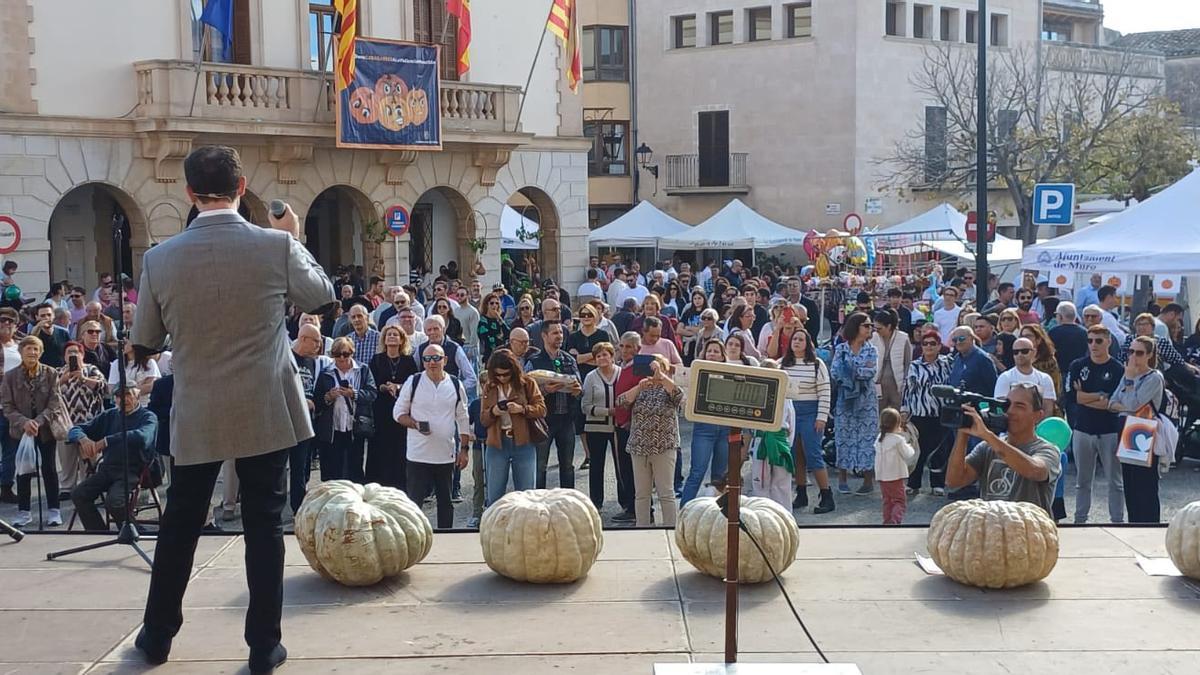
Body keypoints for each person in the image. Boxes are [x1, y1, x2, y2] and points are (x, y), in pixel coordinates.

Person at [132, 146, 335, 673]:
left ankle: (156, 638)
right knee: (264, 522)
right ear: (243, 187)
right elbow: (321, 297)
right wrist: (294, 238)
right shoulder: (274, 245)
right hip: (265, 405)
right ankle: (263, 646)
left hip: (198, 408)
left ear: (188, 192)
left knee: (180, 522)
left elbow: (146, 341)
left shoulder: (158, 258)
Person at [945, 383, 1061, 514]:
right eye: (1007, 404)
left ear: (1038, 416)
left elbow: (1035, 471)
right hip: (993, 528)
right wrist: (963, 432)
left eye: (1019, 406)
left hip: (1029, 530)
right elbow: (954, 481)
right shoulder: (987, 447)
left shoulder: (1048, 450)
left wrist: (987, 435)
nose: (1010, 411)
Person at [393, 343, 470, 528]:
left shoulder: (455, 383)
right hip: (418, 455)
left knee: (446, 503)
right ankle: (414, 538)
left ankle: (446, 541)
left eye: (436, 358)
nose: (431, 362)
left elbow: (463, 417)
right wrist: (415, 424)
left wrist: (465, 450)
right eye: (427, 359)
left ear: (445, 360)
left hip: (445, 455)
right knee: (414, 503)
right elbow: (398, 413)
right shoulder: (414, 381)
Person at [68, 385, 159, 531]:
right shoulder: (110, 415)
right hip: (108, 468)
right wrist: (83, 439)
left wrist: (106, 441)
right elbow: (74, 429)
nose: (124, 400)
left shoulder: (148, 417)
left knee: (114, 501)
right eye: (119, 396)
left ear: (136, 396)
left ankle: (134, 531)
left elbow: (143, 437)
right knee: (79, 494)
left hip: (133, 469)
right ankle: (98, 531)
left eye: (128, 395)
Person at [1, 336, 66, 527]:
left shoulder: (51, 373)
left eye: (36, 349)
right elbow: (7, 406)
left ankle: (54, 510)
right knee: (23, 471)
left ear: (41, 352)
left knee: (49, 469)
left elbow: (55, 403)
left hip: (44, 429)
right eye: (28, 349)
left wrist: (37, 421)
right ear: (21, 352)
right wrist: (24, 422)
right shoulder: (10, 376)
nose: (32, 353)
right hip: (21, 431)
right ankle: (24, 511)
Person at [1066, 325, 1125, 524]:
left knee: (1115, 481)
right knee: (1082, 481)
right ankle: (1080, 519)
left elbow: (1113, 404)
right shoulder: (1077, 365)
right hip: (1083, 429)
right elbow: (1073, 397)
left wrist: (1089, 397)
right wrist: (1098, 395)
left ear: (1108, 342)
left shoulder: (1118, 369)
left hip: (1109, 431)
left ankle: (1117, 520)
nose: (1093, 345)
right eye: (1090, 340)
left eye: (1098, 341)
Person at [1106, 335, 1168, 523]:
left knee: (1145, 486)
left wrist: (1130, 383)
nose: (1133, 356)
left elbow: (1133, 404)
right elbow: (1111, 403)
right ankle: (1134, 524)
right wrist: (1127, 397)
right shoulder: (1128, 374)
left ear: (1149, 355)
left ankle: (1149, 525)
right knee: (1130, 484)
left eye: (1139, 353)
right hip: (1127, 428)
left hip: (1143, 429)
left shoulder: (1154, 377)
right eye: (1130, 351)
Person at [618, 354, 682, 527]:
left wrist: (662, 377)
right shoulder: (641, 387)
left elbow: (680, 397)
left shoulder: (669, 388)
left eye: (658, 366)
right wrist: (638, 388)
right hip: (639, 448)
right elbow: (621, 402)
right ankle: (642, 529)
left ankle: (670, 528)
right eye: (651, 367)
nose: (653, 370)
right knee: (642, 494)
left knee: (666, 493)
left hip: (664, 446)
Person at [526, 321, 582, 490]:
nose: (559, 336)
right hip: (544, 421)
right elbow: (525, 391)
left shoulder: (569, 360)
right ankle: (539, 504)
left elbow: (579, 386)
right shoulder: (534, 362)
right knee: (540, 466)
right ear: (544, 336)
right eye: (555, 333)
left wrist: (577, 391)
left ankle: (568, 503)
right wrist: (545, 390)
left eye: (561, 333)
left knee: (567, 465)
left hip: (566, 419)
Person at [313, 337, 377, 483]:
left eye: (345, 354)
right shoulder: (326, 372)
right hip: (332, 429)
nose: (341, 358)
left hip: (354, 427)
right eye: (337, 354)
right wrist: (328, 397)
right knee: (332, 469)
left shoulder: (362, 370)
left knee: (354, 468)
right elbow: (318, 400)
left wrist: (353, 394)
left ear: (352, 353)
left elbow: (372, 393)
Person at [831, 313, 879, 495]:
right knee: (844, 437)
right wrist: (854, 373)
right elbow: (835, 371)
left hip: (867, 401)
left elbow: (870, 371)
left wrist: (850, 372)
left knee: (867, 439)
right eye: (866, 325)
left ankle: (868, 480)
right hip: (845, 400)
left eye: (870, 326)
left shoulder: (871, 350)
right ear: (856, 327)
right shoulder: (842, 348)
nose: (869, 329)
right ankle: (842, 479)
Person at [679, 339, 732, 507]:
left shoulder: (731, 374)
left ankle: (718, 514)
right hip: (704, 428)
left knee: (719, 476)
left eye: (717, 351)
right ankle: (685, 511)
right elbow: (686, 397)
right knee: (697, 472)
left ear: (723, 356)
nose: (713, 354)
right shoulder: (697, 373)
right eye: (710, 351)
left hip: (725, 429)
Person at [366, 326, 418, 491]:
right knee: (380, 447)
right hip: (381, 409)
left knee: (399, 448)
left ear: (402, 339)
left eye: (395, 334)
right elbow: (371, 383)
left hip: (401, 409)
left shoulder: (408, 361)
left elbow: (414, 383)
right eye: (389, 334)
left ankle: (401, 485)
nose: (392, 337)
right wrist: (383, 387)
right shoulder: (376, 359)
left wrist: (399, 386)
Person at [55, 341, 108, 500]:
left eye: (75, 352)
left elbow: (104, 388)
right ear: (64, 356)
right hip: (66, 423)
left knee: (89, 458)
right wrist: (65, 379)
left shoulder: (92, 369)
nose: (72, 355)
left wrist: (83, 378)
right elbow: (49, 392)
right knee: (67, 459)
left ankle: (89, 486)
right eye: (69, 353)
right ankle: (66, 487)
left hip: (90, 421)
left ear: (82, 354)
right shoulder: (58, 372)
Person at [903, 328, 952, 496]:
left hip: (940, 413)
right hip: (919, 414)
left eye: (933, 343)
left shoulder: (947, 363)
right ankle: (913, 483)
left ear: (939, 346)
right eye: (925, 344)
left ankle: (937, 484)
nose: (929, 347)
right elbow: (908, 390)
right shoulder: (914, 365)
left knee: (940, 451)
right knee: (918, 450)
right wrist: (904, 410)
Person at [748, 359, 796, 510]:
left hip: (779, 441)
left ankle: (782, 517)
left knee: (781, 484)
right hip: (763, 440)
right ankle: (764, 515)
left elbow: (791, 422)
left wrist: (786, 443)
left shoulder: (785, 395)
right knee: (761, 483)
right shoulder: (755, 394)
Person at [580, 342, 623, 509]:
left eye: (605, 354)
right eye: (598, 356)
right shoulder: (591, 377)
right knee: (596, 466)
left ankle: (626, 503)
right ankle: (595, 503)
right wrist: (607, 411)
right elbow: (585, 407)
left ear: (612, 357)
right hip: (595, 428)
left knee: (622, 466)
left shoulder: (621, 373)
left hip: (619, 428)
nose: (602, 358)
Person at [415, 315, 478, 393]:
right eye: (429, 330)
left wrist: (456, 389)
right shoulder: (420, 349)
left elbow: (471, 378)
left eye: (436, 329)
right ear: (425, 332)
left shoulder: (455, 348)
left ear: (443, 329)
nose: (432, 332)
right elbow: (414, 372)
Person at [875, 408, 916, 525]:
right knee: (899, 500)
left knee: (887, 500)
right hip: (895, 476)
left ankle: (887, 520)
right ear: (897, 424)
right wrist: (910, 445)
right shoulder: (898, 440)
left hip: (882, 476)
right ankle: (895, 520)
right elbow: (909, 454)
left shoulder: (879, 438)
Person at [994, 338, 1056, 414]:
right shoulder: (1005, 377)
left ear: (1034, 352)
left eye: (1024, 351)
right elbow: (1000, 408)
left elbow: (1048, 409)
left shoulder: (1045, 378)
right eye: (1015, 352)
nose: (1019, 355)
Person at [1121, 312, 1195, 376]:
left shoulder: (1160, 341)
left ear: (1153, 327)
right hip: (1132, 372)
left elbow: (1176, 359)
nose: (1141, 327)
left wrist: (1188, 367)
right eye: (1139, 324)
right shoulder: (1130, 339)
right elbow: (1122, 358)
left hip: (1156, 374)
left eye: (1145, 324)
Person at [871, 308, 911, 412]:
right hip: (878, 383)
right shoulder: (873, 338)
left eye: (879, 328)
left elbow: (908, 363)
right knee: (878, 415)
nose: (876, 331)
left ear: (888, 326)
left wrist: (905, 383)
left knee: (897, 415)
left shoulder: (903, 338)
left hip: (897, 384)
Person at [947, 326, 998, 399]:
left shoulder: (983, 359)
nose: (958, 342)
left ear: (971, 338)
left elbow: (993, 387)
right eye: (955, 340)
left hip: (976, 407)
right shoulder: (956, 358)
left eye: (961, 339)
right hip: (958, 406)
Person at [1019, 323, 1063, 403]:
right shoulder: (1019, 358)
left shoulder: (1049, 361)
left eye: (1028, 336)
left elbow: (1056, 387)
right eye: (1022, 336)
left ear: (1038, 340)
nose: (1024, 339)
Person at [1049, 302, 1088, 384]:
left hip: (1059, 372)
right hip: (1080, 373)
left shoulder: (1053, 332)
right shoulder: (1084, 332)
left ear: (1060, 316)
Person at [30, 302, 69, 368]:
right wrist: (37, 327)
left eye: (49, 315)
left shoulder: (63, 333)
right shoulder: (35, 335)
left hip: (61, 372)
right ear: (37, 317)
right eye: (43, 316)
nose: (46, 318)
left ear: (53, 315)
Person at [476, 291, 510, 365]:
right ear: (487, 305)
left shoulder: (499, 320)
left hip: (502, 354)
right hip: (489, 356)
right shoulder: (483, 320)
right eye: (492, 303)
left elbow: (508, 333)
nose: (494, 305)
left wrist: (499, 319)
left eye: (497, 303)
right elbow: (486, 338)